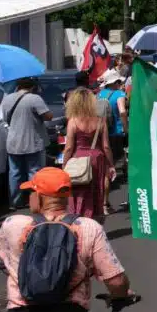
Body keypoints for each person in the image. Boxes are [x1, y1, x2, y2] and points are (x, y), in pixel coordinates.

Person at [0, 167, 133, 312]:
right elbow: (117, 282)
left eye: (31, 192)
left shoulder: (13, 224)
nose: (30, 197)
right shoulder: (89, 228)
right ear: (66, 196)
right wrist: (120, 295)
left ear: (39, 195)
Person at [1, 77, 53, 209]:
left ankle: (15, 202)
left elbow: (5, 119)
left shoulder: (7, 99)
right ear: (32, 87)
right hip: (32, 141)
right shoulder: (34, 99)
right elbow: (48, 116)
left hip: (13, 142)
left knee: (14, 173)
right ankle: (34, 202)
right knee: (34, 171)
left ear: (18, 86)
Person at [62, 89, 112, 224]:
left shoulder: (73, 121)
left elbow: (69, 147)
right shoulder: (100, 120)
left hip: (79, 159)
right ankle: (95, 222)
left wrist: (64, 165)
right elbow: (106, 146)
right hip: (97, 159)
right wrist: (111, 165)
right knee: (97, 191)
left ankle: (78, 220)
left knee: (79, 191)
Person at [97, 70, 128, 169]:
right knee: (119, 160)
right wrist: (126, 129)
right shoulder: (119, 94)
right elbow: (122, 112)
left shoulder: (99, 94)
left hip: (102, 131)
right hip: (116, 131)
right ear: (115, 82)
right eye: (119, 82)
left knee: (107, 159)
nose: (120, 84)